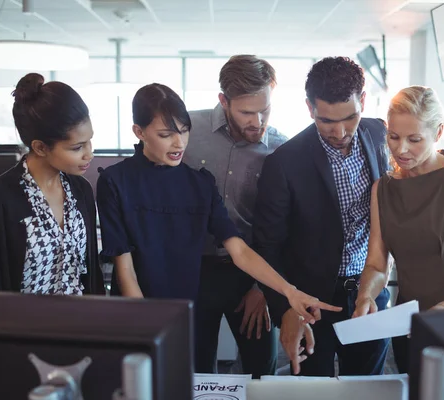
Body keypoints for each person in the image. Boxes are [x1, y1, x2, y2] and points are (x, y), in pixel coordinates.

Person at [96, 83, 340, 326]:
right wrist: (147, 324)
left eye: (184, 131)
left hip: (186, 309)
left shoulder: (199, 183)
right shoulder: (115, 182)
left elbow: (240, 251)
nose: (179, 143)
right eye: (166, 135)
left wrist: (289, 291)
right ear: (139, 132)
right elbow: (124, 269)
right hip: (137, 313)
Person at [253, 56, 390, 377]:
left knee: (369, 387)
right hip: (311, 302)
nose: (340, 131)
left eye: (350, 117)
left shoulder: (380, 134)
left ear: (364, 102)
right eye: (327, 120)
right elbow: (268, 246)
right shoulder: (284, 163)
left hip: (369, 293)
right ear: (309, 108)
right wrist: (286, 308)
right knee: (314, 387)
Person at [352, 85, 444, 373]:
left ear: (439, 132)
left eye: (415, 139)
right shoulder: (382, 188)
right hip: (412, 327)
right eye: (393, 137)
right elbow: (376, 264)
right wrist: (366, 296)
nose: (401, 149)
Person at [182, 55, 285, 378]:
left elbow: (283, 228)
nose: (258, 121)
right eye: (246, 112)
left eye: (264, 109)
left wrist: (262, 287)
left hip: (250, 276)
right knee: (196, 372)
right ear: (223, 101)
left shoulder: (281, 149)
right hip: (192, 273)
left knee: (262, 371)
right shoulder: (184, 130)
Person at [0, 73, 105, 295]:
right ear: (40, 147)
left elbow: (91, 275)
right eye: (77, 147)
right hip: (22, 327)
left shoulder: (81, 190)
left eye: (89, 141)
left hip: (81, 324)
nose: (89, 154)